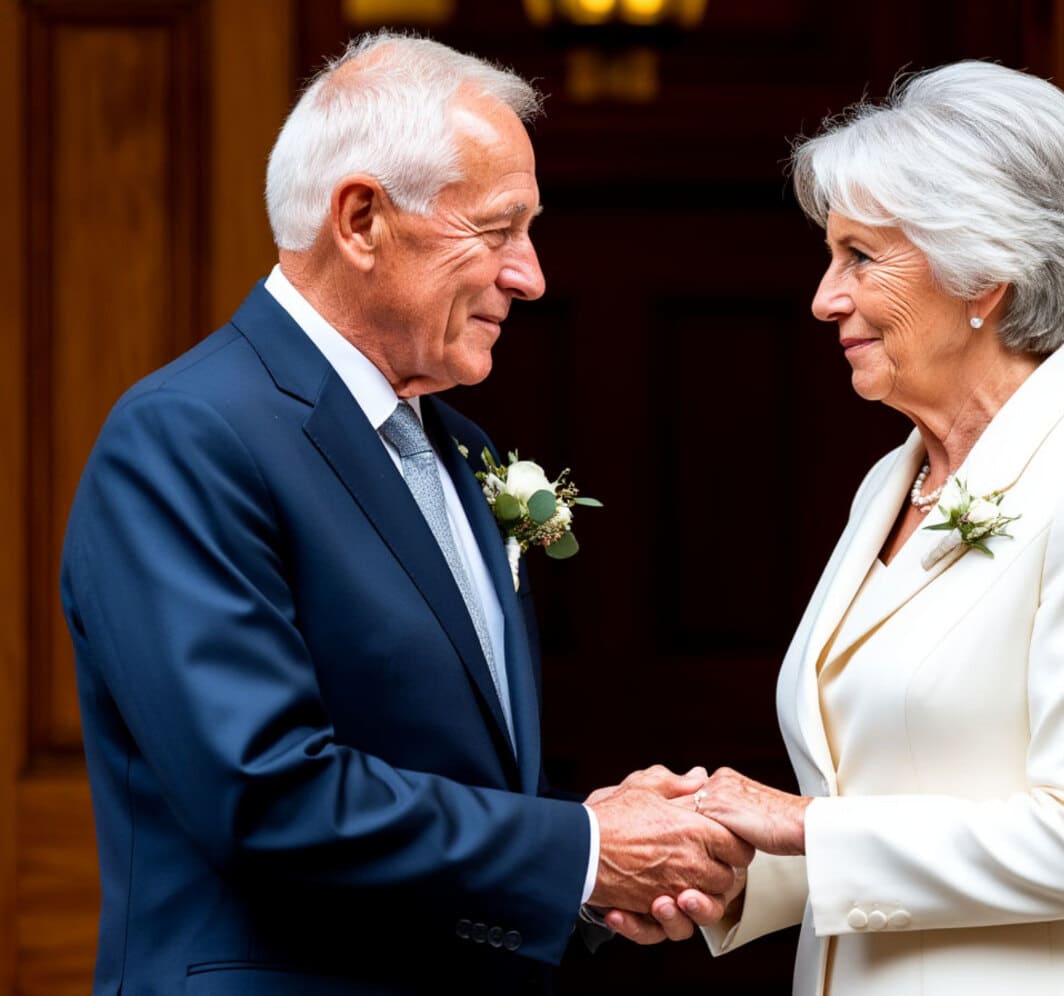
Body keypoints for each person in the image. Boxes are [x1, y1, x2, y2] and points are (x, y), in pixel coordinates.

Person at [60, 31, 749, 995]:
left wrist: (594, 863)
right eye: (498, 230)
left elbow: (447, 769)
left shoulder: (457, 445)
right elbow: (265, 795)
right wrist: (585, 849)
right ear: (361, 220)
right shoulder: (187, 435)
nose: (531, 275)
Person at [631, 61, 1064, 994]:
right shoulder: (887, 484)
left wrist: (802, 826)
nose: (825, 297)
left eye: (861, 256)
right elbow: (876, 799)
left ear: (985, 273)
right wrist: (729, 870)